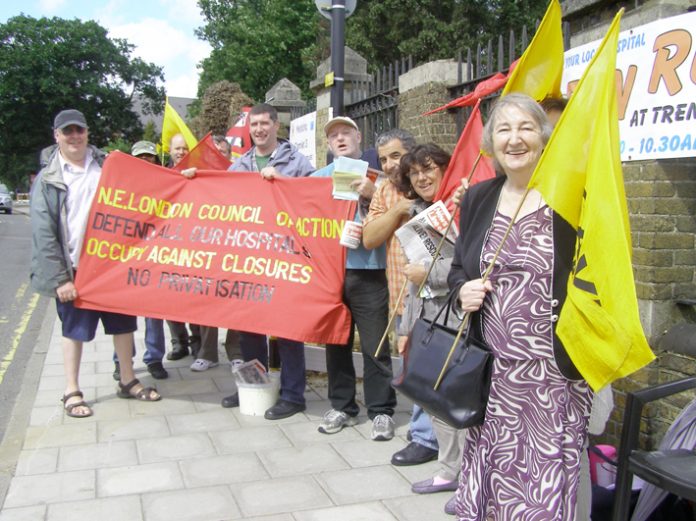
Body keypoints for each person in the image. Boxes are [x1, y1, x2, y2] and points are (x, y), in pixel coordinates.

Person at [448, 93, 591, 519]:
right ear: (491, 142)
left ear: (544, 138)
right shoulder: (478, 198)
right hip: (492, 374)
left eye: (526, 128)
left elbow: (599, 274)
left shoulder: (571, 199)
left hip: (553, 376)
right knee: (495, 478)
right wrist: (462, 291)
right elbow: (458, 266)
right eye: (504, 129)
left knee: (542, 486)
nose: (515, 139)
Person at [30, 109, 161, 419]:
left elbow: (147, 186)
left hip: (112, 265)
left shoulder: (108, 164)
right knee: (73, 330)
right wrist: (60, 278)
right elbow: (44, 233)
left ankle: (127, 380)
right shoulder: (49, 178)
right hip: (75, 268)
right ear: (57, 135)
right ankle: (71, 390)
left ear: (87, 132)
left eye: (79, 130)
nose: (74, 136)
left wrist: (184, 178)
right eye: (67, 131)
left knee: (124, 325)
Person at [221, 103, 314, 419]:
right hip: (250, 260)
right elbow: (221, 201)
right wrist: (193, 179)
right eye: (254, 124)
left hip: (286, 259)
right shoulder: (239, 166)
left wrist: (285, 184)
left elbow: (311, 203)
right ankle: (253, 387)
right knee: (250, 328)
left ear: (276, 125)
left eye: (264, 123)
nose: (259, 129)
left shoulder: (298, 163)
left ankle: (293, 395)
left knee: (288, 329)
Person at [393, 144, 468, 516]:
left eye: (429, 169)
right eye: (414, 174)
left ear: (445, 168)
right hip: (426, 320)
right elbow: (412, 281)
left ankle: (469, 479)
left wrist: (430, 274)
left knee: (457, 403)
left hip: (459, 322)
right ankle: (447, 469)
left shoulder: (466, 209)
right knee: (432, 400)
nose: (422, 178)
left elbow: (470, 268)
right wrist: (405, 326)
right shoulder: (421, 215)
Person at [313, 116, 397, 441]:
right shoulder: (317, 178)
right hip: (331, 272)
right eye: (333, 135)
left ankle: (381, 411)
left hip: (370, 272)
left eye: (345, 132)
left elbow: (397, 210)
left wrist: (373, 193)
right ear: (329, 144)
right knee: (336, 343)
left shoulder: (378, 177)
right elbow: (290, 202)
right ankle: (342, 407)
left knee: (376, 344)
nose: (340, 138)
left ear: (358, 137)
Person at [362, 129, 440, 464]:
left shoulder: (433, 186)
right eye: (383, 159)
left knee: (429, 366)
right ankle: (426, 432)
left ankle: (426, 437)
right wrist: (398, 211)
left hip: (436, 293)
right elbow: (370, 238)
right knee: (414, 364)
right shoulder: (385, 190)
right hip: (401, 294)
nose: (390, 165)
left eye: (396, 156)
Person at [111, 140, 168, 381]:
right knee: (123, 314)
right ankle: (121, 361)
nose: (145, 161)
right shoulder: (121, 185)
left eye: (149, 157)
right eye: (140, 157)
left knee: (154, 312)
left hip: (154, 258)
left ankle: (154, 358)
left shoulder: (166, 185)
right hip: (126, 258)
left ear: (156, 160)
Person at [164, 133, 206, 363]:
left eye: (184, 148)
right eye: (177, 148)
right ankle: (178, 342)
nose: (181, 152)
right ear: (169, 150)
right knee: (170, 298)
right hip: (169, 244)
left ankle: (196, 341)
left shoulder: (198, 173)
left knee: (192, 296)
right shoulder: (161, 175)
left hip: (193, 244)